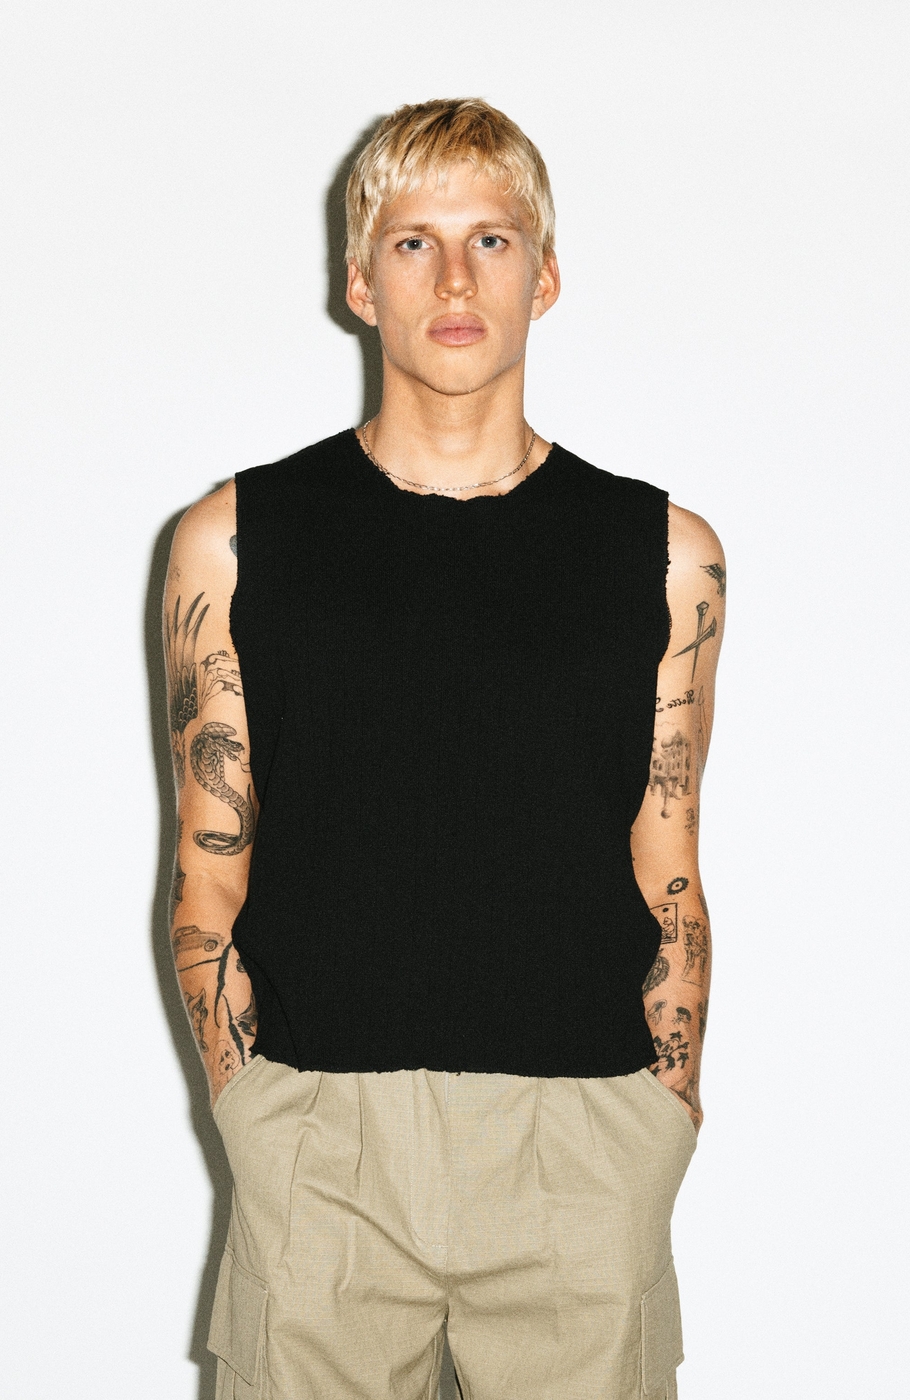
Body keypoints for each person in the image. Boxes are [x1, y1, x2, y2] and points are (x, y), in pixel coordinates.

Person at [163, 97, 725, 1400]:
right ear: (361, 283)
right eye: (415, 242)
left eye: (492, 239)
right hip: (321, 1144)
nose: (457, 279)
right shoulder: (235, 541)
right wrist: (253, 1110)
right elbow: (206, 862)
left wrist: (661, 1110)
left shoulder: (662, 553)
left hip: (583, 1138)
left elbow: (670, 857)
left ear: (546, 275)